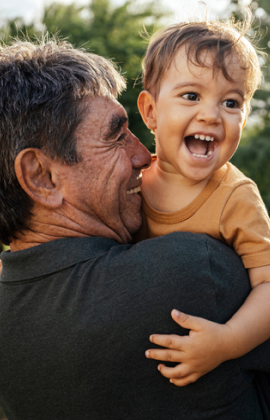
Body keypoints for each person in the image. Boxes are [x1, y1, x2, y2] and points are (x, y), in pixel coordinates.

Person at [0, 38, 270, 420]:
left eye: (231, 103)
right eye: (115, 135)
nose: (144, 156)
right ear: (41, 177)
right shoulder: (195, 268)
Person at [137, 17, 270, 386]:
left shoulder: (235, 197)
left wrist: (228, 342)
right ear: (150, 112)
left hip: (214, 376)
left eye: (231, 102)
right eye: (191, 96)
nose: (211, 114)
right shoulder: (129, 184)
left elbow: (268, 285)